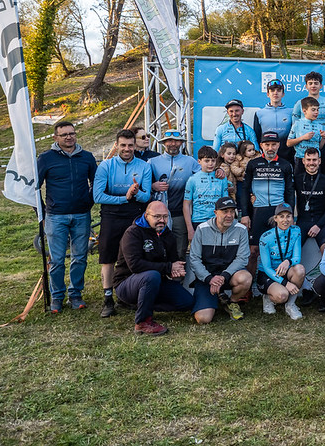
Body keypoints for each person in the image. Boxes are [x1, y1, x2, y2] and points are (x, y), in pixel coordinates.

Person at [37, 121, 97, 312]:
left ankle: (75, 294)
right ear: (55, 137)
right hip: (55, 216)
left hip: (81, 214)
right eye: (64, 135)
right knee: (56, 259)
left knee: (80, 257)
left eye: (72, 133)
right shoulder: (46, 158)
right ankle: (56, 297)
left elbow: (96, 182)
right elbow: (34, 187)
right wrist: (42, 211)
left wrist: (89, 201)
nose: (69, 137)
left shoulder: (87, 157)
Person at [93, 129, 152, 318]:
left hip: (133, 215)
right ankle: (107, 298)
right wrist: (125, 197)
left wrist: (135, 193)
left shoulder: (144, 166)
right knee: (108, 257)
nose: (127, 149)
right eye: (123, 145)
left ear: (135, 145)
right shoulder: (105, 166)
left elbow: (146, 196)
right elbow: (98, 195)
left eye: (130, 145)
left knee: (131, 256)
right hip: (110, 215)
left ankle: (125, 295)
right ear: (117, 145)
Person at [113, 201, 193, 335]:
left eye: (165, 217)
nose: (161, 220)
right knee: (152, 275)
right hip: (127, 282)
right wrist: (168, 267)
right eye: (157, 217)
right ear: (146, 215)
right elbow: (135, 265)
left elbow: (172, 261)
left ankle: (142, 304)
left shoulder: (168, 235)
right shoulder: (133, 233)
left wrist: (176, 270)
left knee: (186, 302)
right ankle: (142, 322)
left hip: (155, 282)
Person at [189, 197, 252, 324]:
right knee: (203, 319)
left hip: (229, 275)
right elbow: (194, 259)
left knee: (245, 278)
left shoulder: (241, 229)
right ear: (215, 212)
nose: (229, 215)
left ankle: (231, 302)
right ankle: (216, 297)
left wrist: (223, 276)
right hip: (207, 277)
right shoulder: (202, 229)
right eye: (225, 211)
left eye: (232, 211)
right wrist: (209, 279)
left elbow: (242, 258)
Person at [149, 130, 201, 260]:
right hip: (158, 214)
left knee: (180, 251)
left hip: (180, 214)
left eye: (177, 141)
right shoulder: (152, 162)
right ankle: (160, 277)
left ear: (181, 143)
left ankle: (178, 279)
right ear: (163, 143)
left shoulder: (190, 161)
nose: (173, 144)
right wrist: (152, 186)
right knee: (157, 249)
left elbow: (204, 174)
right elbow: (143, 184)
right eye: (169, 141)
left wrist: (219, 171)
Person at [242, 131, 295, 252]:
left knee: (279, 249)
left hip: (279, 211)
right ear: (261, 145)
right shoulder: (253, 164)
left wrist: (290, 215)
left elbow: (290, 191)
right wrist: (245, 214)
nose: (270, 148)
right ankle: (252, 272)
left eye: (273, 144)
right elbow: (245, 189)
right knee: (253, 250)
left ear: (278, 145)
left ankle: (276, 272)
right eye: (267, 145)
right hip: (258, 211)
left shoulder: (285, 165)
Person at [258, 204, 305, 320]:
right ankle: (268, 297)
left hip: (286, 269)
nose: (285, 220)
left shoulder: (296, 230)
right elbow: (267, 267)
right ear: (275, 219)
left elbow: (297, 258)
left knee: (299, 269)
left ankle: (291, 304)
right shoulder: (265, 237)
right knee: (282, 295)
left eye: (288, 216)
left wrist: (287, 262)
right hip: (268, 274)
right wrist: (285, 283)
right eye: (281, 216)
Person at [292, 71, 325, 176]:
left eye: (316, 83)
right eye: (310, 83)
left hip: (323, 142)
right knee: (302, 175)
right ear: (306, 86)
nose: (313, 86)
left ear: (321, 86)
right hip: (305, 143)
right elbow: (294, 126)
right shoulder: (299, 103)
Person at [183, 146, 229, 242]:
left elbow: (225, 203)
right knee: (200, 253)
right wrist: (189, 229)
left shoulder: (221, 177)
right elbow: (186, 205)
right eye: (207, 161)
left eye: (213, 160)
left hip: (217, 221)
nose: (210, 164)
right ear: (199, 161)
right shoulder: (192, 179)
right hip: (198, 221)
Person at [294, 148, 325, 252]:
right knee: (291, 251)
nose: (311, 163)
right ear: (303, 161)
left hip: (321, 222)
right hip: (302, 222)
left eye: (314, 160)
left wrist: (318, 225)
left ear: (319, 161)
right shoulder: (297, 179)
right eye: (308, 160)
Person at [253, 78, 293, 162]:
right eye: (272, 90)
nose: (275, 92)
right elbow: (257, 136)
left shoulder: (291, 113)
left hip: (288, 155)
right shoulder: (259, 113)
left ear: (283, 94)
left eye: (278, 90)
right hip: (267, 155)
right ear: (268, 94)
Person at [287, 96, 325, 175]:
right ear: (304, 111)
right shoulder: (297, 124)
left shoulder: (320, 126)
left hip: (315, 160)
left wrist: (323, 138)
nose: (316, 112)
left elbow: (320, 147)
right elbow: (288, 143)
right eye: (313, 110)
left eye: (317, 110)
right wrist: (302, 138)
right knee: (299, 184)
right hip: (300, 158)